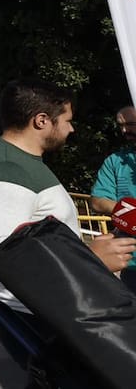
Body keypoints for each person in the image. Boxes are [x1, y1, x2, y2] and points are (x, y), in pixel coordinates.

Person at [0, 80, 136, 364]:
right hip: (39, 314)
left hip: (50, 309)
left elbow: (37, 243)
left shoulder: (23, 161)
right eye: (68, 121)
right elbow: (6, 259)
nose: (71, 129)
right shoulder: (6, 170)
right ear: (41, 121)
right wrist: (91, 261)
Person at [89, 105, 136, 293]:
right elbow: (98, 201)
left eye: (131, 124)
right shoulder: (115, 161)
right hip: (132, 263)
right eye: (121, 126)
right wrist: (131, 213)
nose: (125, 131)